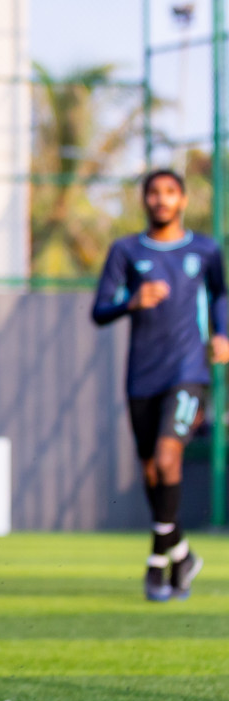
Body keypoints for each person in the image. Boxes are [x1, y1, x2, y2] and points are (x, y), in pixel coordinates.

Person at [93, 169, 229, 601]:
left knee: (169, 455)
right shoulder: (126, 251)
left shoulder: (205, 249)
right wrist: (131, 301)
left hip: (189, 373)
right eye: (154, 193)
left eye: (170, 192)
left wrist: (223, 333)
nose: (162, 200)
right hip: (141, 378)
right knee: (152, 471)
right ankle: (182, 554)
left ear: (183, 199)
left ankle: (157, 561)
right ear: (144, 200)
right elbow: (100, 309)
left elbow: (221, 295)